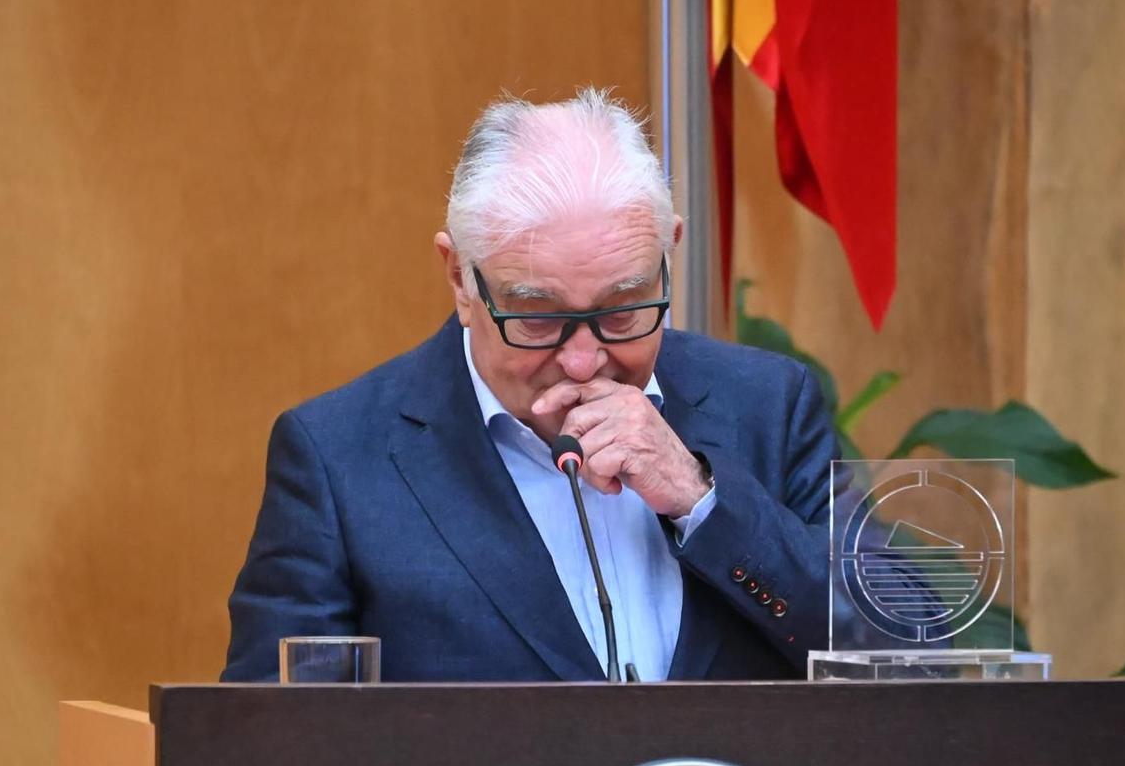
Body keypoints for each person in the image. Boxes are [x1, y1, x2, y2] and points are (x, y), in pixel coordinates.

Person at [222, 90, 835, 683]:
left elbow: (898, 649)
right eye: (538, 318)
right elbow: (270, 748)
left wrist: (701, 500)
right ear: (461, 278)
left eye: (622, 310)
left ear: (669, 255)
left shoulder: (769, 406)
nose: (583, 360)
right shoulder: (336, 457)